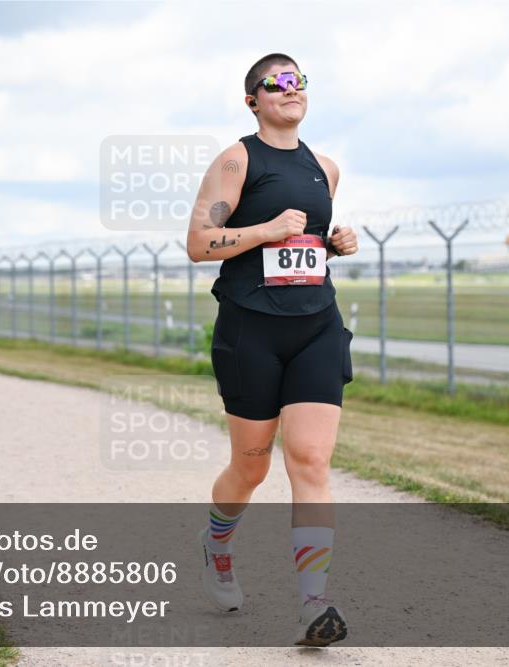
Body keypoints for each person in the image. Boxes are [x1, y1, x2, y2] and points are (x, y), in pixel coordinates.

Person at [186, 53, 359, 647]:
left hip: (315, 325)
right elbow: (198, 243)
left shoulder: (326, 168)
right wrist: (263, 231)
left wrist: (334, 243)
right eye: (276, 83)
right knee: (252, 465)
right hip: (250, 331)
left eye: (299, 81)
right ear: (252, 100)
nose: (291, 89)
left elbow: (302, 249)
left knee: (310, 461)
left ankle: (316, 605)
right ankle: (217, 544)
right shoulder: (236, 160)